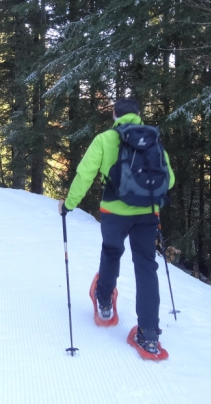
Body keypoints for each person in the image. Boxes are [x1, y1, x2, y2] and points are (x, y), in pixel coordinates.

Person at [58, 98, 175, 358]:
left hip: (114, 211)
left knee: (111, 252)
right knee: (146, 266)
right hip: (147, 213)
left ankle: (104, 303)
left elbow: (85, 174)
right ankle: (149, 335)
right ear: (138, 114)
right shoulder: (153, 138)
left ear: (114, 115)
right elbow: (171, 178)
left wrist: (68, 205)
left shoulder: (104, 139)